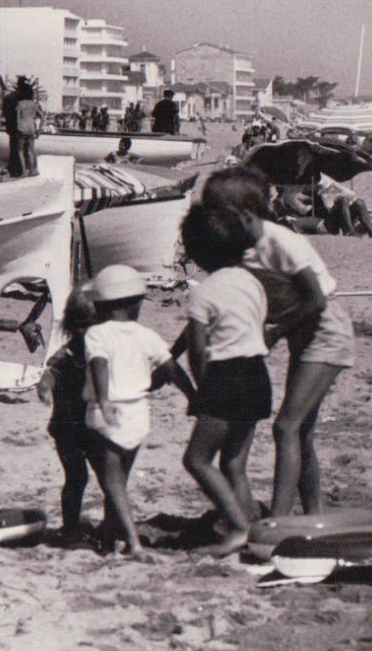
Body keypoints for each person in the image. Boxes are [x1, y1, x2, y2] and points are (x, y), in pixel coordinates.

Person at [200, 167, 353, 520]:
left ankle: (280, 519)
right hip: (301, 334)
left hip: (326, 330)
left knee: (286, 427)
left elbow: (316, 299)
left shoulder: (281, 241)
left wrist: (274, 332)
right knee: (302, 432)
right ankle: (314, 513)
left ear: (245, 214)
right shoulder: (238, 247)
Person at [179, 204, 271, 554]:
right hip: (256, 375)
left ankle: (238, 527)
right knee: (234, 463)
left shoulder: (204, 291)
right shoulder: (252, 283)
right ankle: (252, 530)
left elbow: (197, 348)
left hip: (225, 376)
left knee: (197, 460)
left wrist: (203, 391)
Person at [81, 265, 184, 555]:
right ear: (136, 303)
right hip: (138, 412)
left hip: (108, 411)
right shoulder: (146, 335)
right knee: (120, 480)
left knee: (112, 483)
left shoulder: (97, 334)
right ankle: (111, 536)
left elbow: (99, 364)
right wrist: (191, 396)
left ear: (98, 305)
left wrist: (103, 400)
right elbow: (171, 369)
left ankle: (133, 542)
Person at [37, 292, 99, 542]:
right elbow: (50, 373)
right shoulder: (66, 355)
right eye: (81, 326)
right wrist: (43, 387)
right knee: (76, 477)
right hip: (67, 429)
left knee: (107, 476)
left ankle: (110, 526)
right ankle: (71, 526)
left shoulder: (101, 353)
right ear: (71, 327)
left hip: (94, 426)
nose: (86, 332)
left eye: (92, 326)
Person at [1, 77, 40, 178]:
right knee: (30, 151)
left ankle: (19, 172)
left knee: (17, 151)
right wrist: (38, 129)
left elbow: (9, 114)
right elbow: (40, 116)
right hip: (31, 129)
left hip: (17, 128)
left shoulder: (11, 98)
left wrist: (13, 127)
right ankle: (32, 170)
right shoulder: (32, 102)